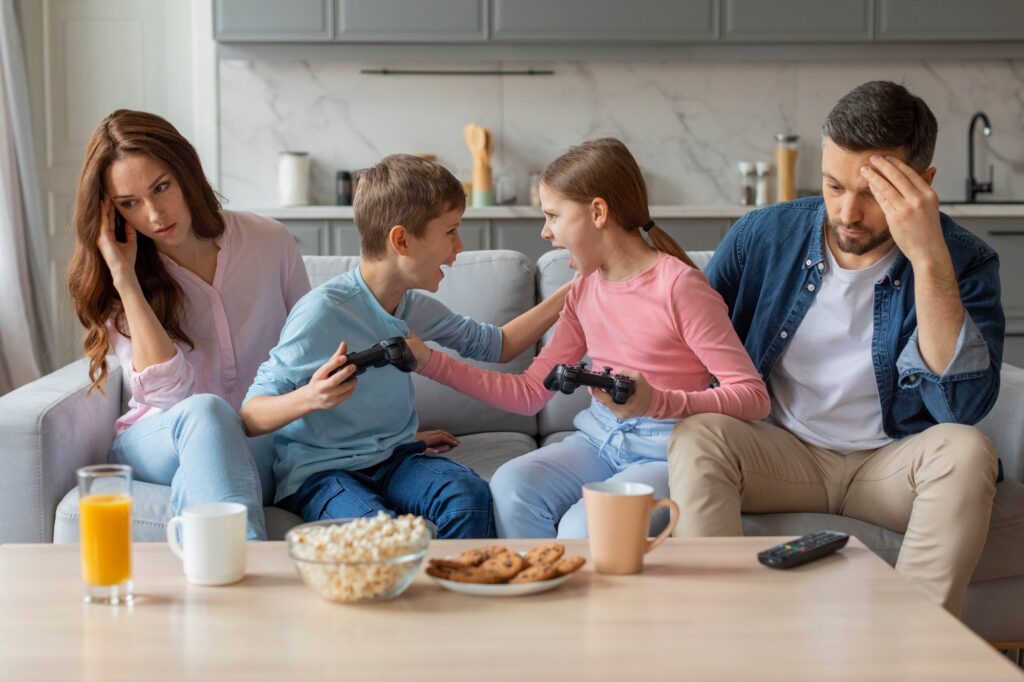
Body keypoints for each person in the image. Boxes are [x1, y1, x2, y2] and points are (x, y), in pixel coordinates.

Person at [667, 81, 1004, 615]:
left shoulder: (964, 261)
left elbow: (960, 410)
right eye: (833, 186)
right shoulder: (763, 235)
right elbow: (689, 341)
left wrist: (930, 261)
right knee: (698, 436)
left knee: (967, 451)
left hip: (888, 463)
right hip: (781, 455)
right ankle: (720, 638)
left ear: (924, 185)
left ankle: (914, 648)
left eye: (873, 194)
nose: (847, 213)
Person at [407, 138, 771, 538]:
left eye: (552, 215)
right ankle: (542, 591)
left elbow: (752, 396)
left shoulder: (680, 287)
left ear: (597, 212)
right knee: (510, 486)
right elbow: (530, 391)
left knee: (585, 527)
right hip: (598, 442)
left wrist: (661, 402)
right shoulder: (584, 290)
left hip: (666, 453)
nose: (545, 232)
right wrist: (430, 362)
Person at [240, 154, 571, 539]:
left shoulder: (413, 306)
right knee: (382, 533)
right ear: (401, 240)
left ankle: (461, 593)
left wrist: (572, 290)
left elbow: (497, 345)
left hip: (394, 460)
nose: (459, 247)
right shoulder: (322, 312)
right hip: (321, 474)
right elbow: (251, 414)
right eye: (450, 232)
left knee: (468, 496)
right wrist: (312, 397)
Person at [67, 109, 312, 540]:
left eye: (161, 187)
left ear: (186, 172)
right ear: (113, 212)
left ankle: (215, 573)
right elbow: (171, 396)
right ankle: (242, 569)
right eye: (130, 204)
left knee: (219, 455)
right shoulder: (121, 275)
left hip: (255, 437)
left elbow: (316, 353)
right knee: (206, 411)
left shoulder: (270, 242)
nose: (155, 214)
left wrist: (383, 434)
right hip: (158, 437)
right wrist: (125, 280)